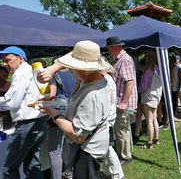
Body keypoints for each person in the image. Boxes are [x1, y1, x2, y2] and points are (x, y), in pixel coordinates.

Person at [38, 40, 112, 178]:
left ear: (85, 68)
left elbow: (78, 136)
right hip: (87, 147)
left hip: (87, 151)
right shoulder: (91, 77)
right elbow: (65, 61)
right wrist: (51, 70)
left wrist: (52, 112)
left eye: (75, 67)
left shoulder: (92, 94)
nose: (72, 69)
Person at [0, 46, 47, 179]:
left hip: (27, 125)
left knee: (9, 167)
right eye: (3, 60)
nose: (4, 64)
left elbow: (12, 103)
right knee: (33, 165)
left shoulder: (20, 73)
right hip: (38, 122)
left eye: (8, 60)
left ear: (20, 59)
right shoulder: (31, 70)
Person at [106, 36, 137, 165]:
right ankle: (123, 154)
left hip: (123, 103)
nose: (108, 50)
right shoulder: (118, 60)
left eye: (110, 47)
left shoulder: (124, 60)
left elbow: (130, 82)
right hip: (120, 102)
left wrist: (123, 102)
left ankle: (125, 157)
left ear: (117, 47)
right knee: (122, 129)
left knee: (122, 130)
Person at [47, 57, 75, 179]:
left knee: (55, 152)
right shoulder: (73, 78)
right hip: (71, 118)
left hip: (57, 119)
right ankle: (69, 175)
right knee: (68, 148)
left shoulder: (53, 77)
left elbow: (52, 97)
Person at [101, 70, 124, 179]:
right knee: (106, 148)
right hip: (108, 118)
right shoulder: (108, 79)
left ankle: (118, 175)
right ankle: (106, 172)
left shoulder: (105, 80)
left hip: (106, 120)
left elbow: (108, 101)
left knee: (108, 148)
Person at [138, 52, 162, 149]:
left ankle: (149, 143)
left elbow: (144, 86)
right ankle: (156, 139)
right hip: (156, 97)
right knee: (154, 119)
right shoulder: (158, 69)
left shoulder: (149, 70)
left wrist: (138, 90)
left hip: (149, 97)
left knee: (149, 121)